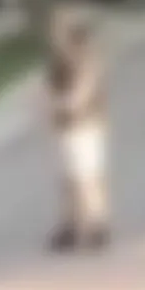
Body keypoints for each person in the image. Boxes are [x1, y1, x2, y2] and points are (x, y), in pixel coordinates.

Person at [48, 14, 109, 251]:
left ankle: (97, 225)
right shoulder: (61, 63)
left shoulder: (87, 63)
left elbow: (80, 96)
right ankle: (71, 225)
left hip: (85, 127)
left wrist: (61, 105)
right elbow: (48, 92)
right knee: (69, 180)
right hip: (67, 129)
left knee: (87, 178)